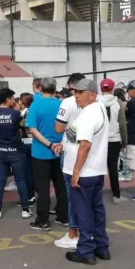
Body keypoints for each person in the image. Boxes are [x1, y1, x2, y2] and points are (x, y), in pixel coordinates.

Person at [64, 79, 110, 265]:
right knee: (96, 209)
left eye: (80, 93)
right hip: (95, 170)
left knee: (83, 212)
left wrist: (76, 172)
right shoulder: (97, 109)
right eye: (75, 92)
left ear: (92, 94)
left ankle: (86, 251)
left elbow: (85, 145)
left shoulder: (89, 113)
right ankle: (101, 246)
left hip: (84, 172)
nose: (76, 96)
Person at [26, 77, 68, 231]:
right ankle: (64, 216)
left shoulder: (35, 105)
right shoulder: (62, 104)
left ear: (40, 88)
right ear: (55, 89)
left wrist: (49, 144)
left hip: (41, 152)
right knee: (61, 185)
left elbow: (32, 129)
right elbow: (67, 127)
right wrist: (58, 144)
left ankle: (42, 220)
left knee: (42, 187)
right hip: (60, 150)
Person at [0, 88, 33, 219]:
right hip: (15, 151)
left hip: (0, 151)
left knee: (0, 181)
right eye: (13, 98)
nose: (14, 101)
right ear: (8, 98)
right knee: (20, 180)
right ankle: (25, 209)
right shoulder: (16, 114)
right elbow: (24, 126)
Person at [54, 73, 85, 249]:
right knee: (88, 195)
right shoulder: (99, 103)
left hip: (73, 153)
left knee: (72, 194)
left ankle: (74, 232)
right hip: (90, 153)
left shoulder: (68, 102)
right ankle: (87, 231)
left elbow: (58, 127)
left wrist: (65, 135)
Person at [99, 78, 128, 203]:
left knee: (98, 167)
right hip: (114, 139)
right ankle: (116, 195)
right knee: (113, 168)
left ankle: (96, 194)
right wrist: (124, 140)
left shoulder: (96, 102)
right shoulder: (118, 103)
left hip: (99, 139)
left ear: (101, 88)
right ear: (113, 88)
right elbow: (122, 124)